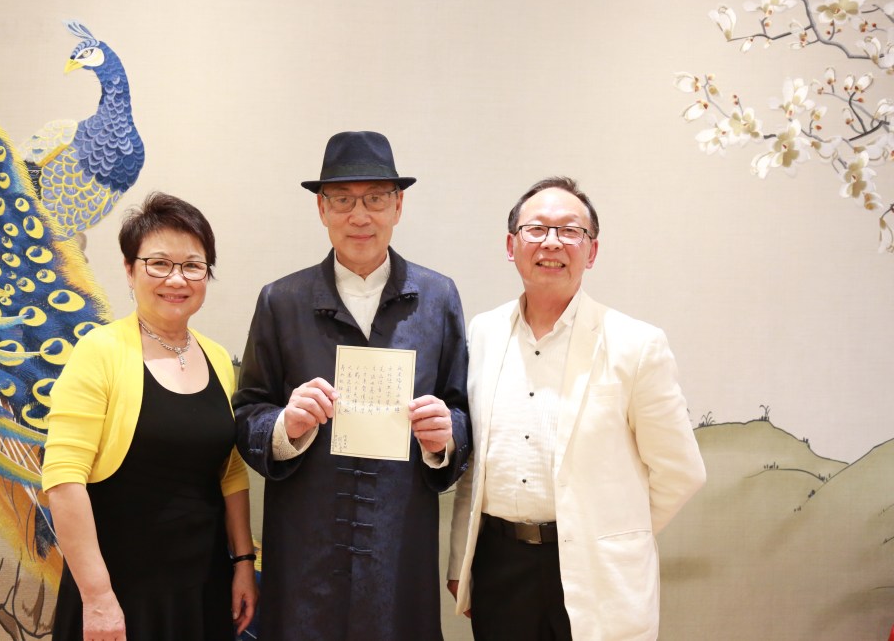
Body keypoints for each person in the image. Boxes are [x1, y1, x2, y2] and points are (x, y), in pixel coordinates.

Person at [233, 130, 471, 641]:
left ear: (398, 206)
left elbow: (461, 410)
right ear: (321, 208)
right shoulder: (281, 300)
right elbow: (248, 410)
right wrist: (284, 427)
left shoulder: (437, 298)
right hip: (306, 542)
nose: (359, 216)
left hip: (398, 542)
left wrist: (445, 437)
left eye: (375, 199)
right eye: (342, 199)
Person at [447, 177, 706, 641]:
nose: (552, 243)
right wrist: (459, 563)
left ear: (592, 250)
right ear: (511, 245)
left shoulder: (636, 344)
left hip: (596, 573)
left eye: (570, 231)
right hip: (499, 566)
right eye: (536, 229)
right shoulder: (484, 333)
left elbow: (680, 470)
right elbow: (476, 465)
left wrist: (612, 536)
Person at [42, 192, 257, 640]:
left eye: (193, 265)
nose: (176, 279)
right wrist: (98, 598)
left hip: (204, 584)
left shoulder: (218, 358)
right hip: (120, 591)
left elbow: (231, 471)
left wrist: (242, 563)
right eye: (158, 263)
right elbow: (63, 481)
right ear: (129, 269)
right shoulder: (99, 351)